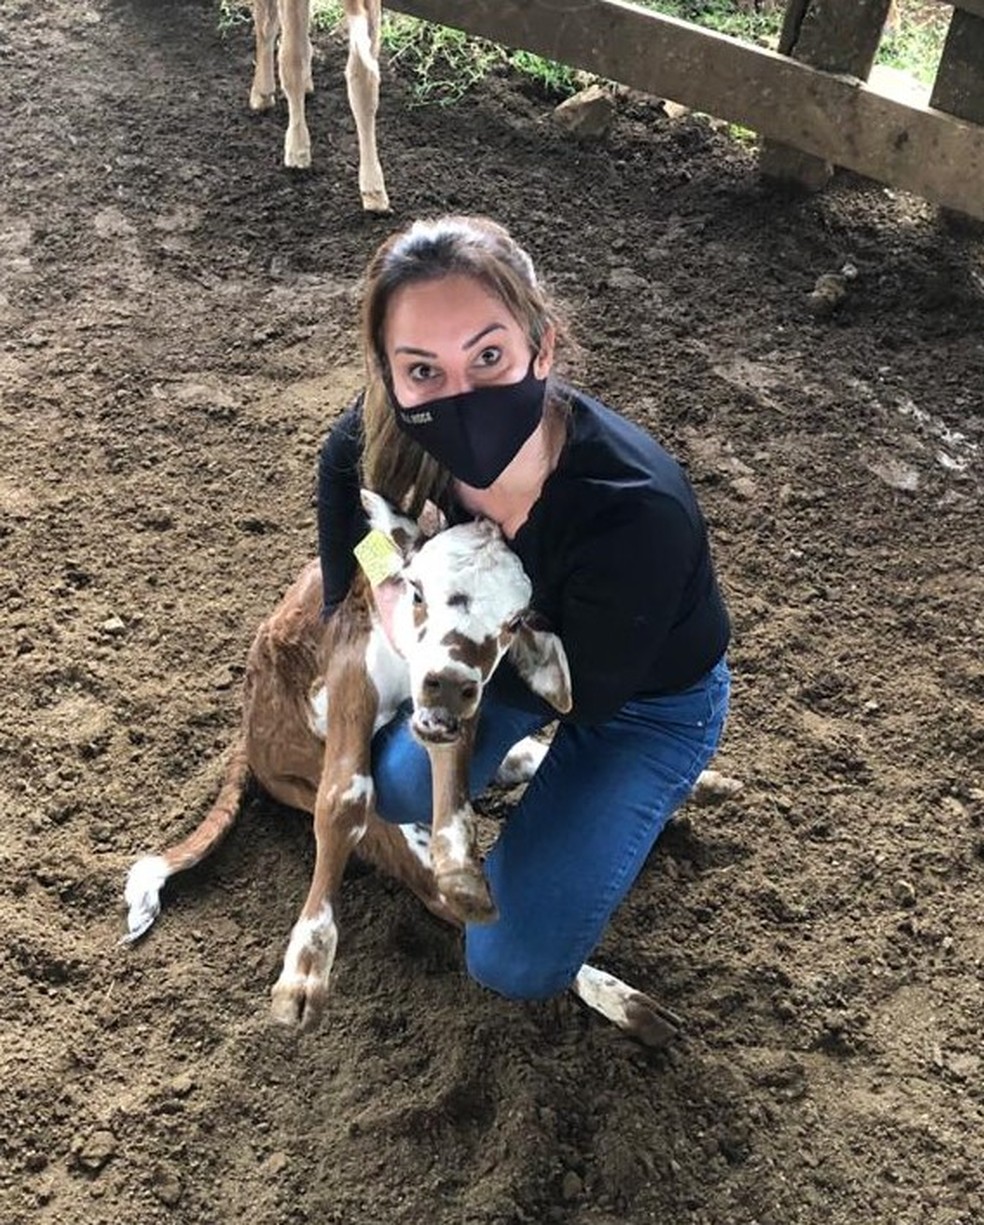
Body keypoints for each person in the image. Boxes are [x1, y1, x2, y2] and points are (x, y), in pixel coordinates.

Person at [317, 214, 731, 1002]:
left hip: (639, 699)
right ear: (389, 375)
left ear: (542, 342)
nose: (460, 394)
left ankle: (643, 789)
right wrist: (402, 605)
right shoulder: (368, 446)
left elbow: (590, 695)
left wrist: (449, 657)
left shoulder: (635, 509)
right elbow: (360, 564)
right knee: (398, 781)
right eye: (423, 371)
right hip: (484, 659)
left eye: (489, 355)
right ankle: (553, 803)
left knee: (508, 962)